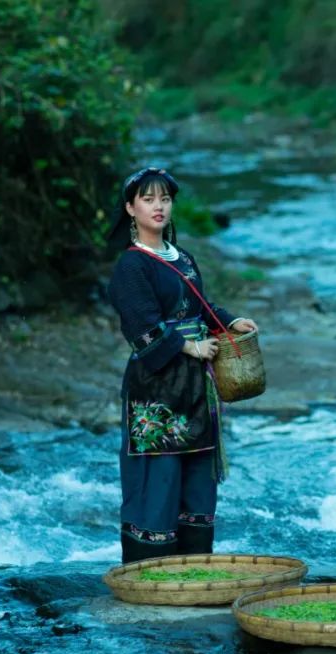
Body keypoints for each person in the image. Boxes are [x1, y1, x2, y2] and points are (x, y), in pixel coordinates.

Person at [106, 167, 258, 564]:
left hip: (195, 384)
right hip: (157, 385)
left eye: (165, 199)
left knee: (195, 471)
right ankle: (150, 568)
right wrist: (188, 348)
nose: (158, 207)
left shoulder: (182, 257)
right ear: (130, 208)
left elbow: (199, 307)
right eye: (148, 199)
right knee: (160, 473)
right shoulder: (131, 266)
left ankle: (193, 565)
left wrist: (229, 321)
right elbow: (139, 326)